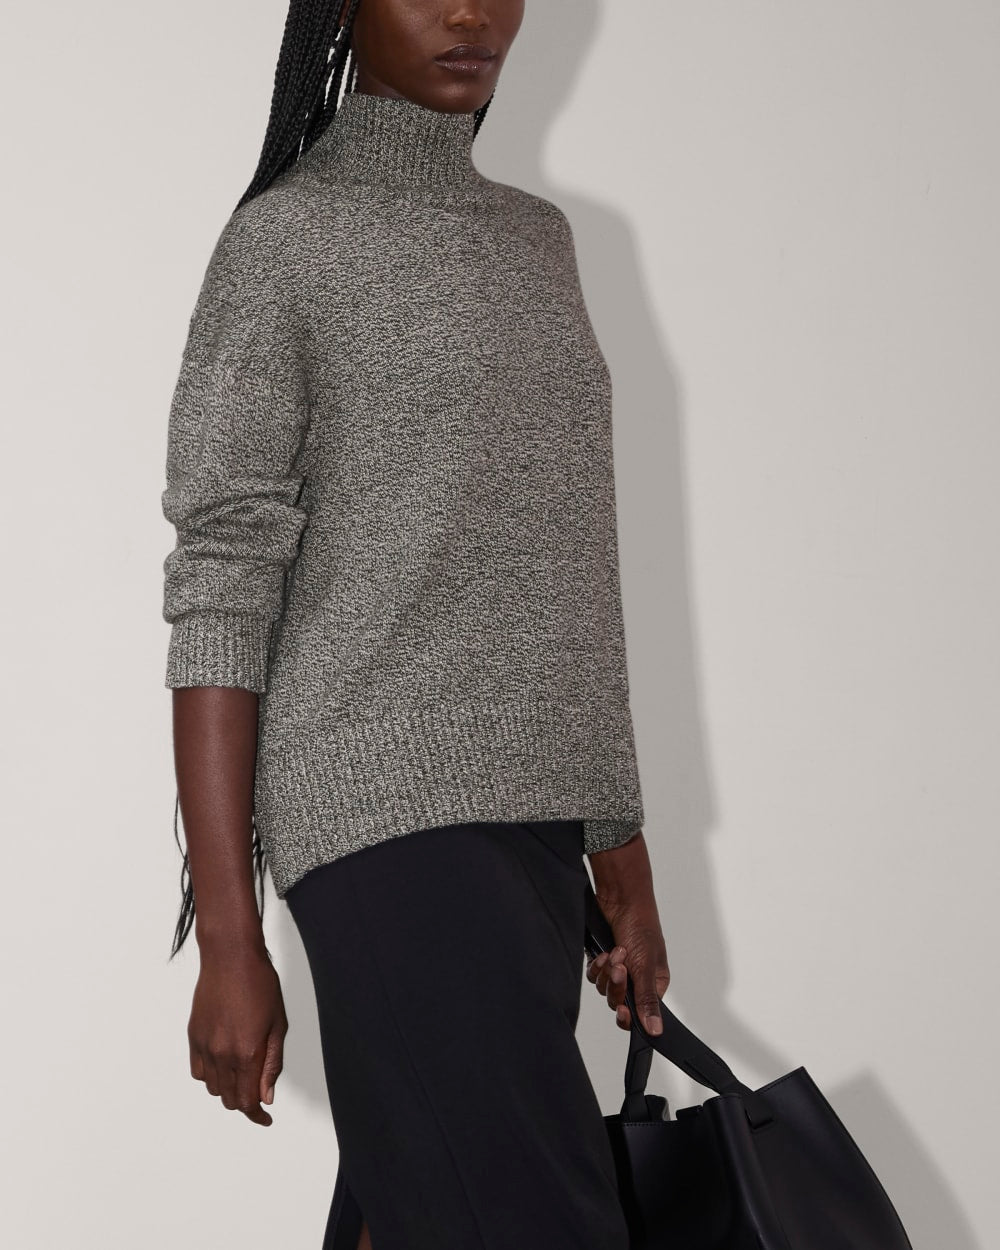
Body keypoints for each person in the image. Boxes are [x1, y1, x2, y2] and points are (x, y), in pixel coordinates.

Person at [160, 1, 670, 1247]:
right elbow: (221, 576)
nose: (471, 11)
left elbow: (568, 562)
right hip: (380, 821)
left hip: (532, 829)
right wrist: (228, 933)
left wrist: (617, 848)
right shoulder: (285, 244)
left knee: (427, 1204)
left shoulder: (539, 241)